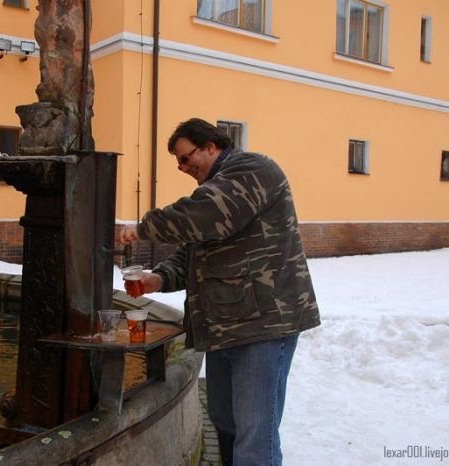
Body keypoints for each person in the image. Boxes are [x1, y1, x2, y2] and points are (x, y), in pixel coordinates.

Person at [118, 118, 320, 466]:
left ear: (211, 145)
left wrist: (143, 229)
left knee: (255, 438)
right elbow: (195, 250)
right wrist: (159, 278)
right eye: (178, 163)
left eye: (186, 157)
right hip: (226, 325)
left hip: (264, 324)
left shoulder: (252, 170)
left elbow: (210, 214)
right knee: (225, 423)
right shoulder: (217, 187)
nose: (183, 167)